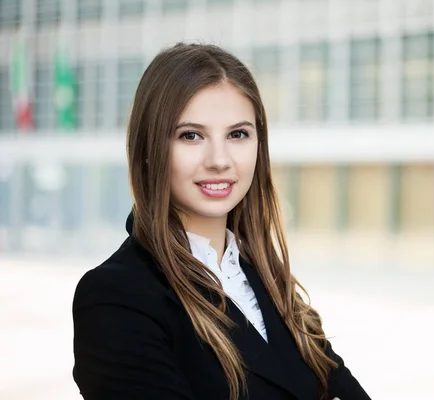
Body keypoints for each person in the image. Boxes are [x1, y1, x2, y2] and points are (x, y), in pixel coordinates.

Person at [71, 43, 371, 400]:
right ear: (149, 149)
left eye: (237, 134)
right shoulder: (117, 297)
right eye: (191, 135)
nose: (219, 160)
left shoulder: (267, 279)